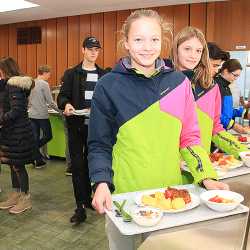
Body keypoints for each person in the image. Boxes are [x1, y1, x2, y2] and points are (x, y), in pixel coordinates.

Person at [88, 10, 228, 250]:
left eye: (154, 39)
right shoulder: (107, 85)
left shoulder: (179, 83)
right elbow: (99, 143)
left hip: (171, 195)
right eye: (138, 39)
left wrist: (206, 175)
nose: (147, 47)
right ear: (126, 43)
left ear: (162, 41)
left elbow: (190, 138)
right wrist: (101, 182)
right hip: (124, 196)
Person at [171, 27, 247, 164]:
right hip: (170, 165)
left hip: (201, 164)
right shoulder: (163, 85)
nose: (193, 55)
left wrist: (242, 152)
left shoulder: (211, 88)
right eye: (187, 49)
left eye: (198, 51)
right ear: (176, 49)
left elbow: (216, 128)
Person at [57, 36, 106, 225]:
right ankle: (80, 206)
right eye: (90, 49)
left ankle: (91, 198)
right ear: (83, 50)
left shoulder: (104, 75)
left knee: (93, 165)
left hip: (96, 129)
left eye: (97, 49)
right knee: (77, 166)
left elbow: (107, 101)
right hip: (76, 127)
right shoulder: (71, 74)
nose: (94, 52)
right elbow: (62, 96)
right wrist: (67, 104)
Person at [0, 57, 35, 214]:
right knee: (12, 164)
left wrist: (1, 119)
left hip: (18, 133)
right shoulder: (9, 84)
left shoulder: (14, 85)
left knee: (18, 166)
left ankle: (25, 198)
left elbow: (17, 110)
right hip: (11, 132)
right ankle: (16, 193)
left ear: (6, 69)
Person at [29, 65, 58, 168]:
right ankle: (33, 152)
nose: (49, 76)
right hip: (41, 115)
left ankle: (37, 160)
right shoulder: (44, 84)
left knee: (35, 138)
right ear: (45, 73)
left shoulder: (31, 82)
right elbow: (50, 102)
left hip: (31, 114)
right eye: (49, 74)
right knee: (48, 136)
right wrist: (60, 111)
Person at [215, 59, 246, 133]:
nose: (235, 78)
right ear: (225, 71)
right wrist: (232, 125)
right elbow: (214, 112)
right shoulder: (216, 85)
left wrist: (243, 112)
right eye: (235, 75)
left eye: (237, 76)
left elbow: (227, 110)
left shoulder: (226, 87)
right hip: (215, 131)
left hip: (223, 130)